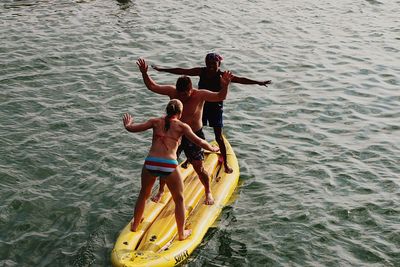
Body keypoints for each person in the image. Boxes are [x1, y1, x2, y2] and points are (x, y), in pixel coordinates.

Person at [152, 53, 272, 173]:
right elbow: (182, 71)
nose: (210, 67)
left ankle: (225, 163)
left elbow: (240, 80)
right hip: (200, 106)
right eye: (208, 64)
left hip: (215, 107)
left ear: (219, 65)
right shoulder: (201, 71)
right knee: (192, 131)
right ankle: (190, 158)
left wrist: (258, 82)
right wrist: (162, 69)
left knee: (218, 137)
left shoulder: (222, 75)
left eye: (213, 65)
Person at [136, 58, 233, 205]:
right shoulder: (173, 92)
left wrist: (225, 86)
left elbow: (220, 96)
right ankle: (161, 190)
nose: (181, 98)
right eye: (179, 95)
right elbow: (152, 86)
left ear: (191, 89)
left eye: (184, 95)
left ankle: (208, 191)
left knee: (199, 168)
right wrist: (144, 73)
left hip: (194, 135)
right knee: (166, 165)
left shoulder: (200, 94)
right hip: (176, 134)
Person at [123, 99, 219, 240]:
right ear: (180, 113)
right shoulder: (182, 126)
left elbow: (132, 129)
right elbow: (198, 141)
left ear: (167, 110)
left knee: (143, 194)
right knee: (179, 199)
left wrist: (128, 124)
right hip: (168, 164)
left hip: (150, 162)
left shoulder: (155, 121)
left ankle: (135, 225)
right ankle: (181, 234)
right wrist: (212, 148)